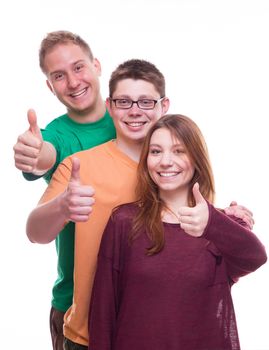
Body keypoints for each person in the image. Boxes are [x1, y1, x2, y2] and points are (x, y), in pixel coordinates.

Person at [26, 60, 254, 349]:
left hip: (156, 333)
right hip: (86, 334)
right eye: (124, 101)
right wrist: (62, 206)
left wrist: (222, 218)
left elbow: (186, 248)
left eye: (146, 102)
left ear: (164, 105)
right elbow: (35, 233)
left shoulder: (172, 171)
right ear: (109, 106)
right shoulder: (80, 167)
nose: (135, 111)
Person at [88, 114, 267, 350]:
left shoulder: (220, 225)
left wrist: (214, 222)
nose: (165, 161)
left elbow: (256, 256)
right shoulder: (124, 221)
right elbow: (103, 313)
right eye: (155, 151)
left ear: (196, 159)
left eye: (179, 151)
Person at [13, 30, 116, 350]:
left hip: (137, 296)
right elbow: (44, 155)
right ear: (50, 85)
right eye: (59, 75)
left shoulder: (133, 116)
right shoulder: (57, 136)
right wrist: (35, 153)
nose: (73, 82)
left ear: (97, 65)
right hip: (76, 305)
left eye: (79, 67)